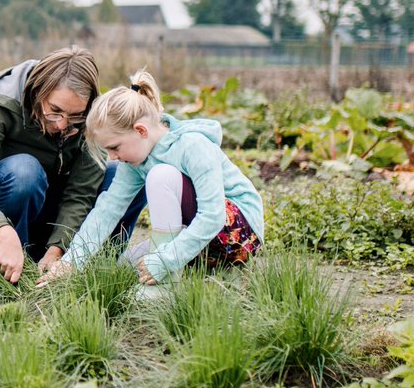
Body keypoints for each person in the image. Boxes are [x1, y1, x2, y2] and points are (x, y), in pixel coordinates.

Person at [37, 69, 264, 288]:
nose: (112, 157)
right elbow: (107, 210)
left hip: (238, 234)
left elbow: (213, 217)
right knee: (125, 267)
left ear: (141, 131)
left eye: (114, 147)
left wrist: (165, 261)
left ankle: (166, 286)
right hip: (198, 233)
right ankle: (209, 271)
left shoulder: (193, 146)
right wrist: (71, 263)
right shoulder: (136, 161)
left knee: (161, 176)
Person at [0, 47, 145, 284]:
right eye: (54, 111)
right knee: (25, 171)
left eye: (75, 115)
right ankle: (10, 262)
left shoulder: (92, 117)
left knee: (126, 174)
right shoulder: (0, 102)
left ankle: (96, 269)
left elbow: (80, 193)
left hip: (53, 215)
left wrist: (57, 249)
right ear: (38, 91)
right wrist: (5, 235)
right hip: (1, 214)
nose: (62, 125)